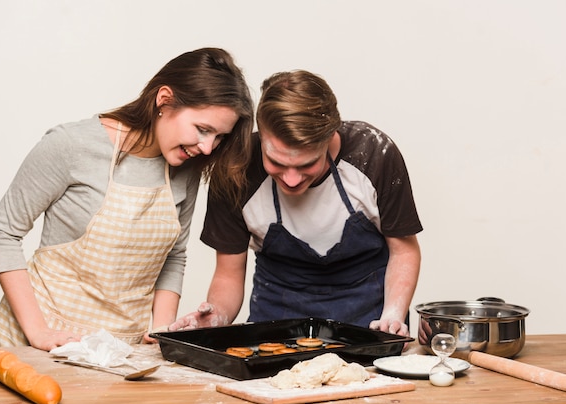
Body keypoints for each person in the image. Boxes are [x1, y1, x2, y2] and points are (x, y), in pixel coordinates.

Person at [0, 47, 254, 351]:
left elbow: (173, 255)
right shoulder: (72, 145)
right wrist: (37, 332)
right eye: (203, 130)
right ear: (164, 100)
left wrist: (163, 329)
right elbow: (2, 233)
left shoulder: (186, 167)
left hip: (120, 351)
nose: (207, 148)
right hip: (40, 344)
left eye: (218, 137)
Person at [170, 70, 422, 337]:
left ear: (330, 137)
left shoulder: (374, 154)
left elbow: (404, 251)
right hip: (275, 324)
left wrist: (392, 316)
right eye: (277, 163)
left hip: (368, 321)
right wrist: (216, 316)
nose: (291, 180)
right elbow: (228, 273)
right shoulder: (235, 170)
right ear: (262, 135)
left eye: (307, 164)